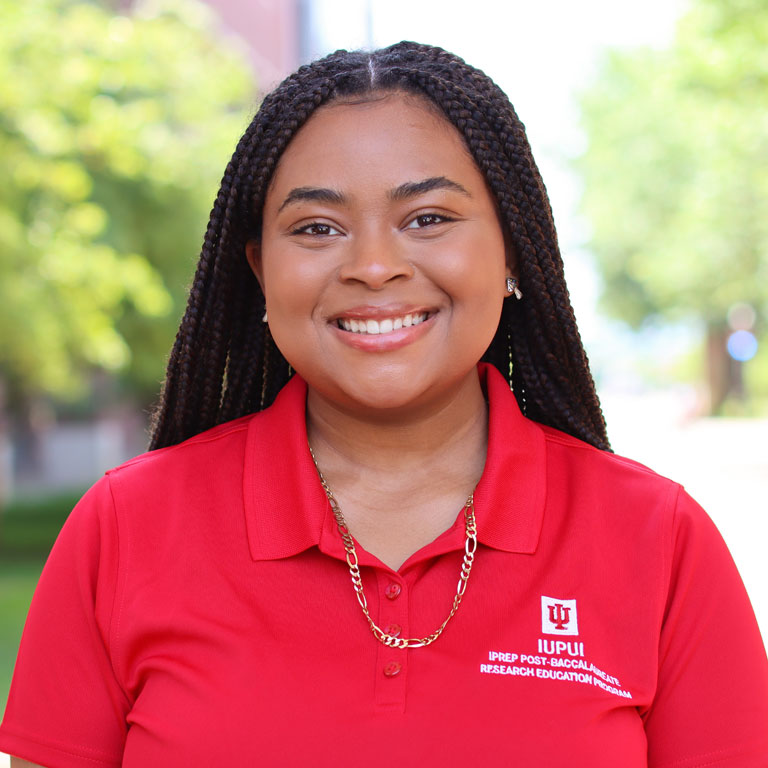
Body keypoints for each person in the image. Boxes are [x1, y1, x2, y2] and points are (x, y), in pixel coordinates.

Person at [1, 41, 767, 768]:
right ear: (261, 272)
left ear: (512, 253)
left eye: (428, 218)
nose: (373, 266)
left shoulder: (659, 542)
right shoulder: (124, 530)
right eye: (318, 227)